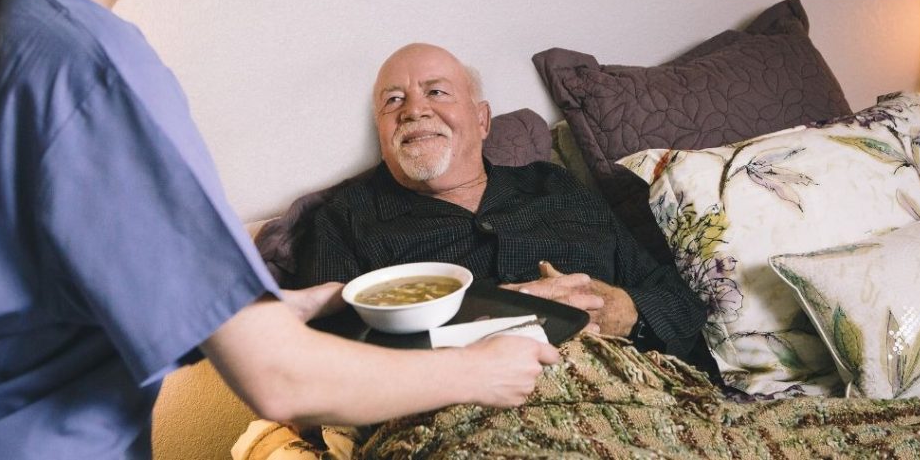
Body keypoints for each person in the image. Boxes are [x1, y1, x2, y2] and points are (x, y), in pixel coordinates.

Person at [0, 0, 560, 459]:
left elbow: (42, 297)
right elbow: (279, 379)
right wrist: (481, 370)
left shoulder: (6, 33)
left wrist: (273, 308)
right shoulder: (92, 63)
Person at [291, 43, 716, 368]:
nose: (414, 110)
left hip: (628, 382)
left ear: (482, 120)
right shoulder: (345, 219)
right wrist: (492, 314)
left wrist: (624, 312)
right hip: (471, 406)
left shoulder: (555, 186)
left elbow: (680, 303)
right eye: (393, 101)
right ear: (382, 131)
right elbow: (323, 358)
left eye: (436, 92)